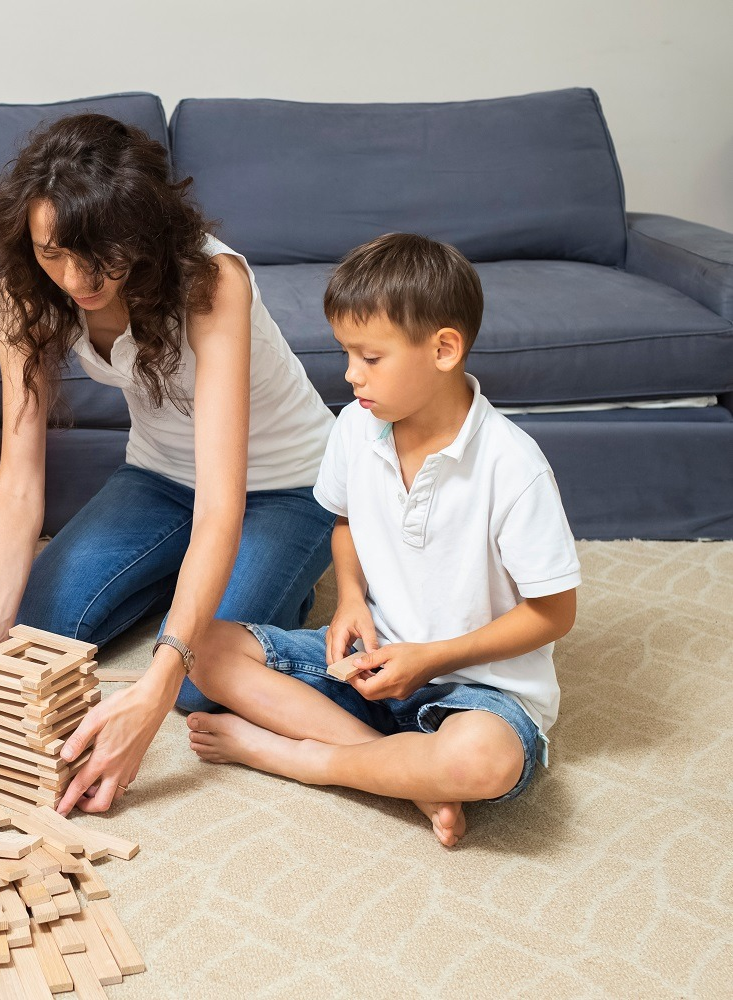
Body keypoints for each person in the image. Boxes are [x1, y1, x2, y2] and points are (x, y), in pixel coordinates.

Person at [0, 114, 336, 814]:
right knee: (34, 639)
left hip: (283, 485)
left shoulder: (212, 281)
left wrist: (156, 688)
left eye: (99, 256)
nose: (76, 279)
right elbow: (17, 483)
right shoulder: (27, 291)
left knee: (196, 683)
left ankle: (273, 595)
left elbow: (223, 504)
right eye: (53, 253)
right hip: (159, 477)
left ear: (140, 232)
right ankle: (194, 595)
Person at [183, 233, 579, 847]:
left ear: (444, 349)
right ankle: (403, 772)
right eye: (346, 354)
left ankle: (304, 759)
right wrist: (349, 600)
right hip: (372, 662)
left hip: (479, 690)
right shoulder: (354, 426)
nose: (349, 375)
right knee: (200, 646)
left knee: (483, 762)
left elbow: (554, 613)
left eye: (370, 357)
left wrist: (432, 658)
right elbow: (345, 523)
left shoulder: (513, 466)